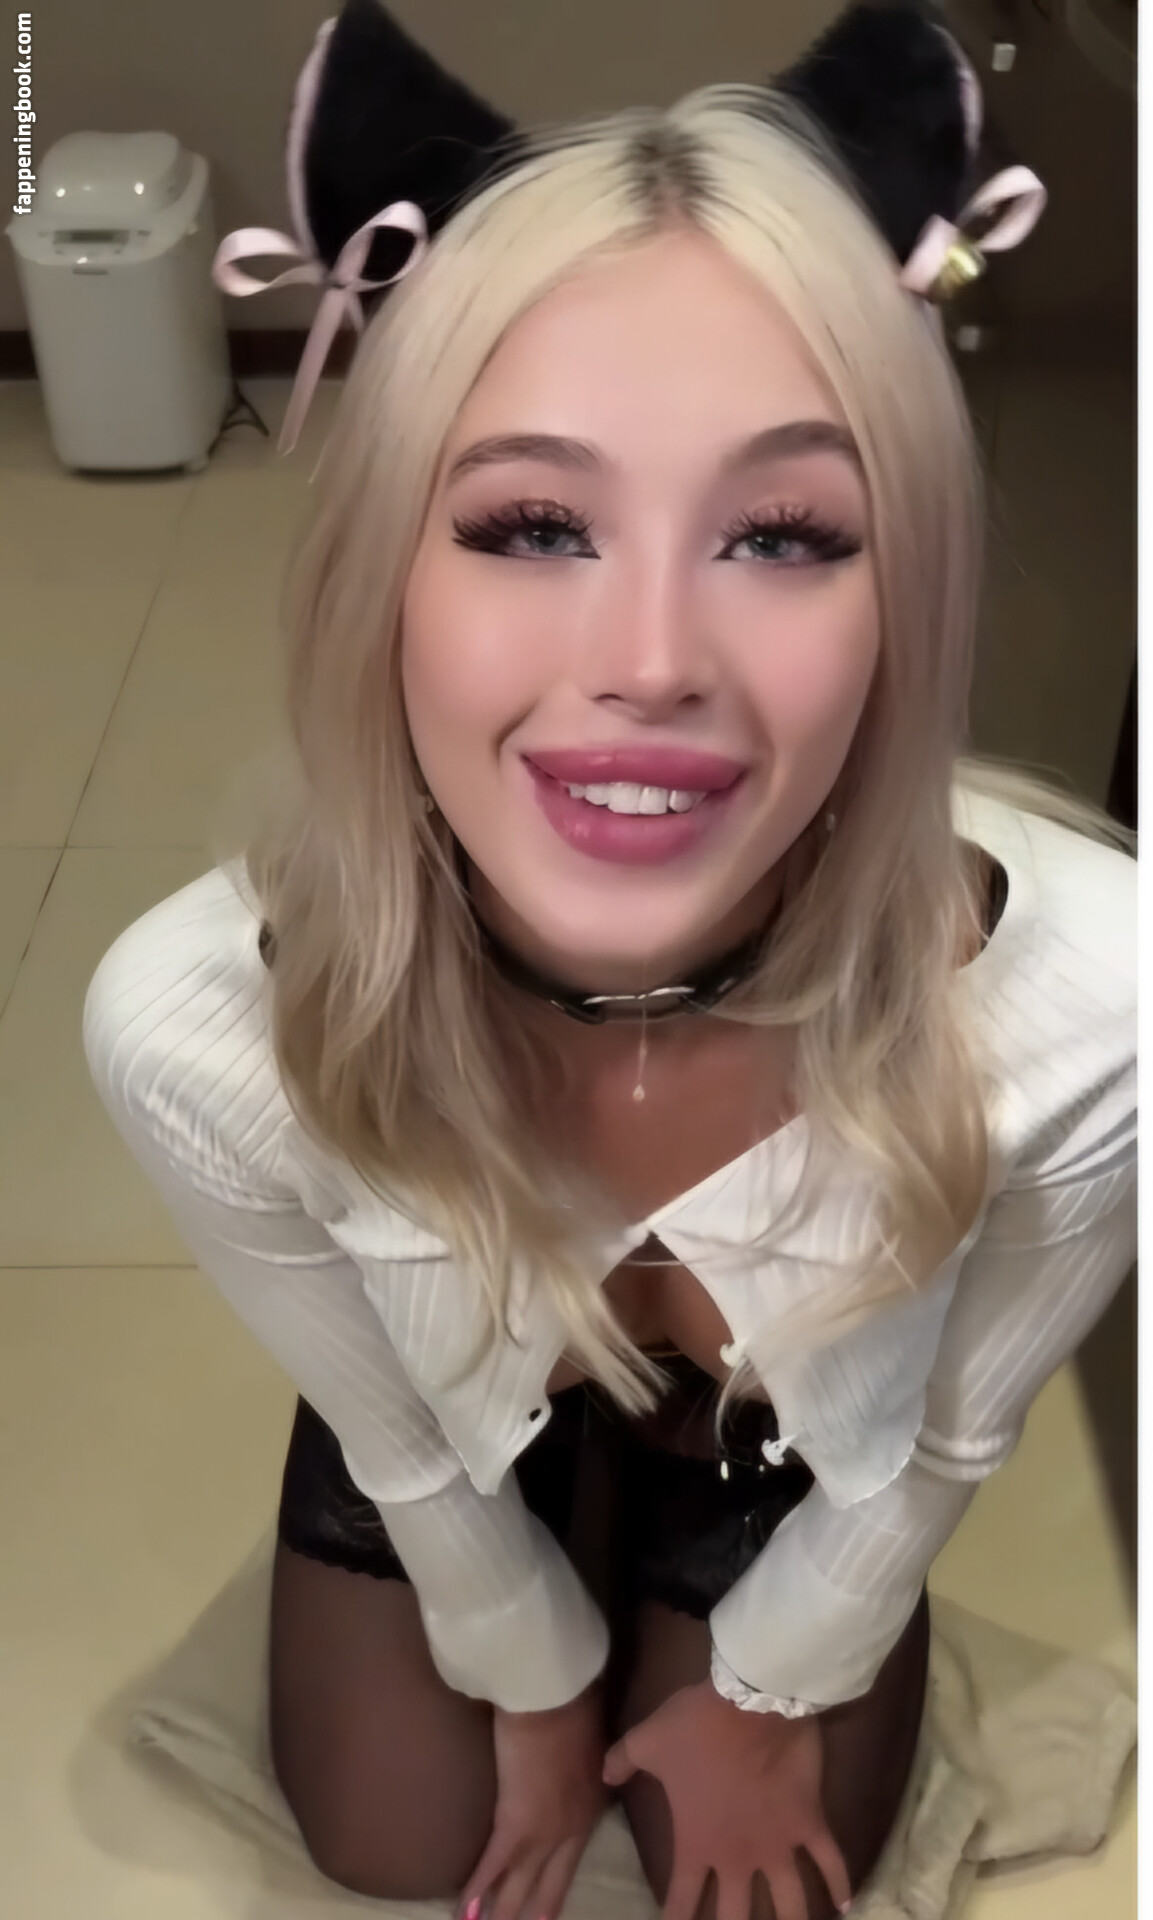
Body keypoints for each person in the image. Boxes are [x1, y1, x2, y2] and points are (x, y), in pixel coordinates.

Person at [82, 6, 1136, 1919]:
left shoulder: (1092, 1011)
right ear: (384, 580)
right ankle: (546, 1432)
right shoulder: (200, 1025)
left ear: (906, 597)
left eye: (784, 534)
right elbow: (403, 1443)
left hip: (796, 1445)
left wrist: (768, 1681)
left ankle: (674, 1490)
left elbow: (949, 1433)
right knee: (392, 1839)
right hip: (459, 1406)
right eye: (533, 523)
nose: (649, 661)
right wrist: (528, 1666)